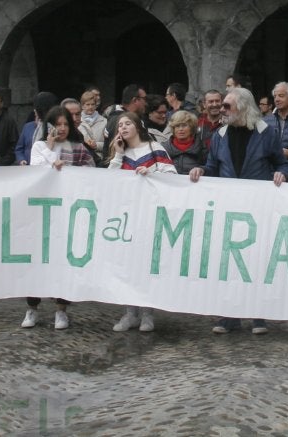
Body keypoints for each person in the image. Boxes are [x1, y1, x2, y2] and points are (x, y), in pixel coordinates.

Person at [188, 87, 286, 334]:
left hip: (258, 207)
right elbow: (212, 166)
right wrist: (202, 170)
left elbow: (282, 162)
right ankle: (228, 315)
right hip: (228, 207)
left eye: (227, 106)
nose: (222, 110)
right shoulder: (219, 135)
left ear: (243, 107)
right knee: (228, 262)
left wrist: (282, 173)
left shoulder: (267, 133)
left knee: (256, 260)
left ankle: (258, 315)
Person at [23, 106, 93, 331]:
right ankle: (32, 307)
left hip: (68, 212)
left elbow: (91, 173)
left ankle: (61, 309)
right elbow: (36, 173)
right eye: (57, 124)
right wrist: (51, 151)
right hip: (43, 211)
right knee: (38, 260)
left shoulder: (78, 147)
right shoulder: (39, 146)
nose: (62, 128)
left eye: (65, 124)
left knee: (64, 262)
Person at [106, 111, 175, 333]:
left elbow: (172, 175)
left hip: (150, 215)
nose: (123, 127)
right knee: (128, 265)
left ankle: (147, 314)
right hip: (128, 216)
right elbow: (108, 182)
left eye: (128, 123)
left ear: (138, 126)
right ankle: (130, 313)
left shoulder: (154, 149)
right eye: (120, 125)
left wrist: (152, 172)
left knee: (146, 265)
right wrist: (117, 155)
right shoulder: (120, 153)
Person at [164, 110, 209, 174]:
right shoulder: (163, 147)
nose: (180, 129)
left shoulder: (202, 146)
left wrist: (201, 169)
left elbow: (209, 168)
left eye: (184, 125)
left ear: (192, 128)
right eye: (177, 126)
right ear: (173, 129)